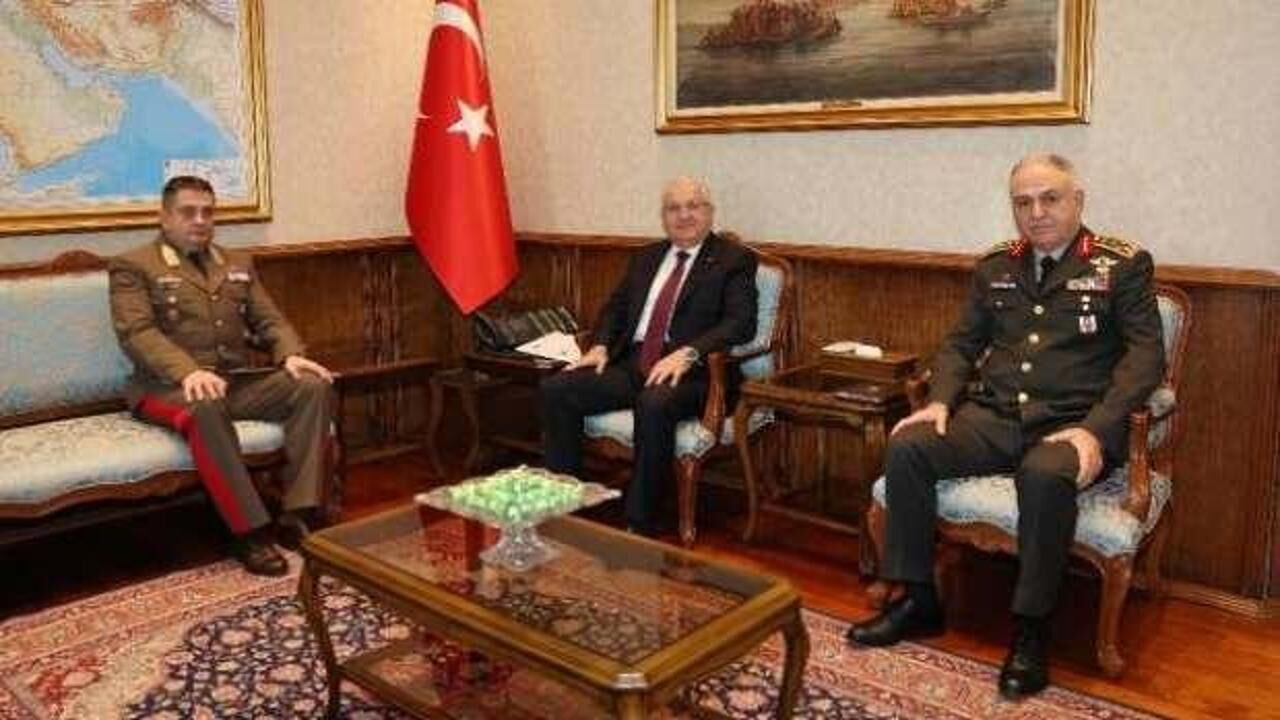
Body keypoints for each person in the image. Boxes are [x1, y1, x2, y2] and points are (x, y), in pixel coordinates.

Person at [847, 154, 1166, 699]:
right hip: (995, 417)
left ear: (1077, 201)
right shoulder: (997, 265)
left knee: (1043, 475)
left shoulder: (1121, 265)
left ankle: (1031, 631)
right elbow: (961, 343)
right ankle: (919, 601)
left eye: (1050, 198)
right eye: (1023, 202)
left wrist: (1096, 430)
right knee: (909, 446)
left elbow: (1146, 359)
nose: (1036, 212)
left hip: (1071, 426)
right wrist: (940, 402)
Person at [109, 176, 335, 577]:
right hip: (164, 388)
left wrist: (290, 354)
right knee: (206, 403)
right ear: (164, 218)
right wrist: (188, 371)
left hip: (231, 382)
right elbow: (137, 333)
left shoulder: (236, 263)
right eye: (188, 212)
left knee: (311, 385)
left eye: (207, 212)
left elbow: (269, 320)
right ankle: (249, 532)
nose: (200, 220)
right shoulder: (133, 266)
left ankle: (298, 514)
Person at [540, 177, 758, 535]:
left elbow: (741, 323)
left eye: (693, 206)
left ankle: (641, 521)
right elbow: (616, 308)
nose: (684, 215)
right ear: (663, 217)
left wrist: (690, 352)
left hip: (694, 373)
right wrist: (600, 346)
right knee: (557, 389)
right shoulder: (647, 257)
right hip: (634, 363)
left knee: (653, 403)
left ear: (709, 212)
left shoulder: (734, 260)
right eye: (674, 208)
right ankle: (565, 504)